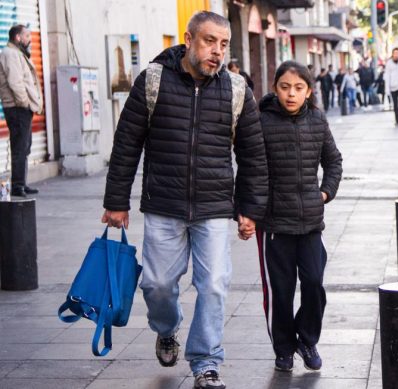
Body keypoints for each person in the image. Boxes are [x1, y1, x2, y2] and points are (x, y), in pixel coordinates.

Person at [101, 11, 268, 389]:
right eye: (210, 41)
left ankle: (206, 362)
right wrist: (117, 201)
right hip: (164, 204)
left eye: (223, 44)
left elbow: (253, 155)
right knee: (157, 284)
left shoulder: (237, 90)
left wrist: (250, 209)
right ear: (188, 39)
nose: (217, 51)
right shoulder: (154, 80)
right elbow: (127, 143)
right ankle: (166, 328)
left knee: (214, 285)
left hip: (212, 208)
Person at [256, 60, 343, 373]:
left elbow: (334, 162)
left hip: (310, 222)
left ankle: (307, 338)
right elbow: (251, 169)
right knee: (280, 291)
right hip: (275, 224)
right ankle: (283, 348)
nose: (291, 94)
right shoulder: (261, 121)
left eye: (298, 88)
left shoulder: (318, 120)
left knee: (313, 283)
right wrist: (250, 211)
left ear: (308, 91)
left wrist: (324, 193)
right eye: (284, 87)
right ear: (276, 88)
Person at [0, 24, 42, 197]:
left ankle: (22, 183)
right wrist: (24, 103)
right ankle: (17, 186)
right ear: (17, 37)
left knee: (25, 146)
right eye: (26, 36)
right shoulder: (10, 54)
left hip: (23, 108)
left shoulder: (18, 53)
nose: (29, 39)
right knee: (19, 147)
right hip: (17, 108)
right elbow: (15, 82)